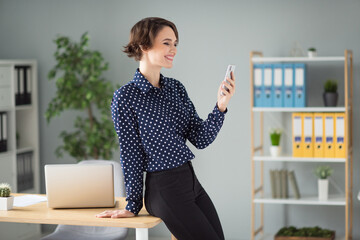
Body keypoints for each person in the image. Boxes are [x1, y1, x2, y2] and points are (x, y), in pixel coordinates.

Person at [96, 17, 235, 240]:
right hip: (164, 189)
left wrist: (221, 106)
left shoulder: (175, 89)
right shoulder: (126, 97)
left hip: (191, 182)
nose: (174, 50)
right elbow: (130, 153)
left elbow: (200, 138)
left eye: (175, 44)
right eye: (167, 43)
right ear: (144, 46)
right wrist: (133, 204)